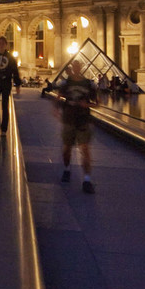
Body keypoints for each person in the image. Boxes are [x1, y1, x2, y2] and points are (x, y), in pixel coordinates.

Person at [50, 60, 97, 193]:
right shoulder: (66, 83)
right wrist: (55, 109)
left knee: (85, 149)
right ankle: (67, 169)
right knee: (66, 149)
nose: (76, 68)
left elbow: (97, 103)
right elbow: (58, 97)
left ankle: (87, 180)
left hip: (83, 120)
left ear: (81, 67)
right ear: (72, 68)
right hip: (69, 119)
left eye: (78, 66)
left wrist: (86, 105)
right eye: (74, 66)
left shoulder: (89, 84)